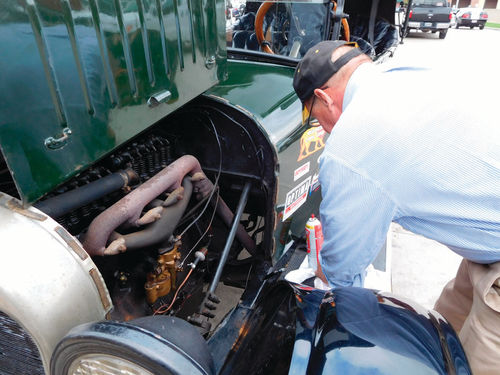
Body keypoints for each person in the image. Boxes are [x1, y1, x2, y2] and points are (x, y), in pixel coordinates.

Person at [292, 40, 500, 375]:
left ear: (324, 97)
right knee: (441, 329)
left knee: (474, 366)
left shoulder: (352, 143)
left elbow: (341, 275)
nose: (327, 131)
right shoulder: (407, 72)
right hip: (484, 245)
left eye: (320, 121)